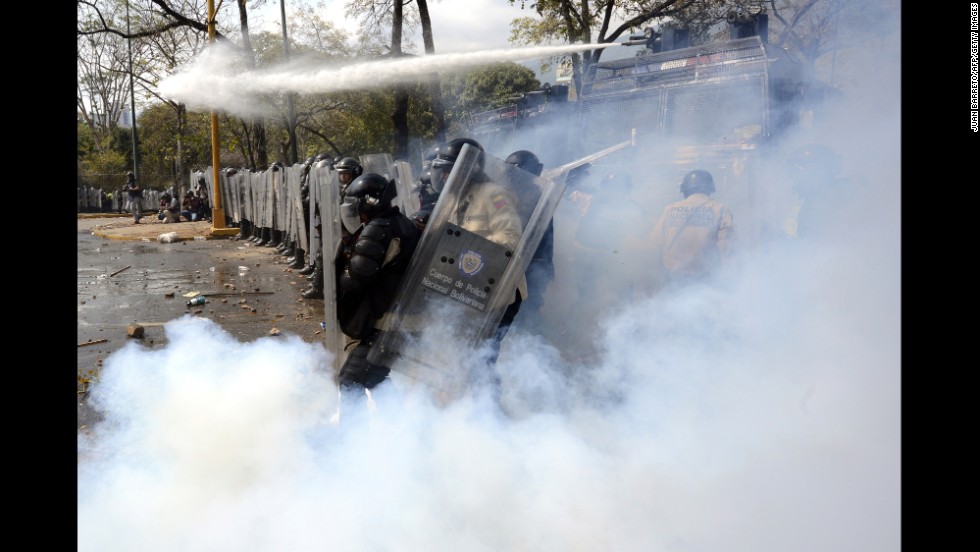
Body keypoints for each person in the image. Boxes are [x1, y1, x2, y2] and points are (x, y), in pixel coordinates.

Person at [430, 137, 525, 373]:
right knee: (466, 357)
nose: (444, 177)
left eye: (449, 171)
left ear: (468, 169)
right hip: (470, 289)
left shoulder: (493, 195)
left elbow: (511, 238)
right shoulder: (452, 199)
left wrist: (467, 252)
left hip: (500, 292)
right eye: (442, 171)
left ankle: (488, 407)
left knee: (482, 358)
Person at [334, 173, 421, 397]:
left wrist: (337, 268)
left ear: (370, 203)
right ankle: (400, 429)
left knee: (349, 380)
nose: (356, 213)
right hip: (398, 317)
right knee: (374, 378)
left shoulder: (379, 228)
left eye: (357, 206)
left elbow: (356, 278)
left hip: (389, 322)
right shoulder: (398, 222)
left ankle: (350, 433)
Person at [647, 169, 734, 287]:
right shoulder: (720, 209)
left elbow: (655, 240)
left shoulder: (670, 209)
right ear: (710, 188)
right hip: (705, 278)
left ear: (685, 189)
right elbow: (726, 248)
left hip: (675, 278)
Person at [503, 150, 554, 323]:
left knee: (527, 315)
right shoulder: (520, 194)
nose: (508, 178)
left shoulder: (533, 197)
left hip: (532, 266)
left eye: (511, 174)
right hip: (525, 263)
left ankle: (535, 348)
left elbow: (519, 230)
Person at [302, 156, 364, 300]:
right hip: (340, 229)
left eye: (346, 174)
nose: (342, 177)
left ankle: (327, 289)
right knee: (323, 254)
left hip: (354, 232)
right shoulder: (342, 187)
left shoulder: (359, 187)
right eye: (340, 174)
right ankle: (320, 287)